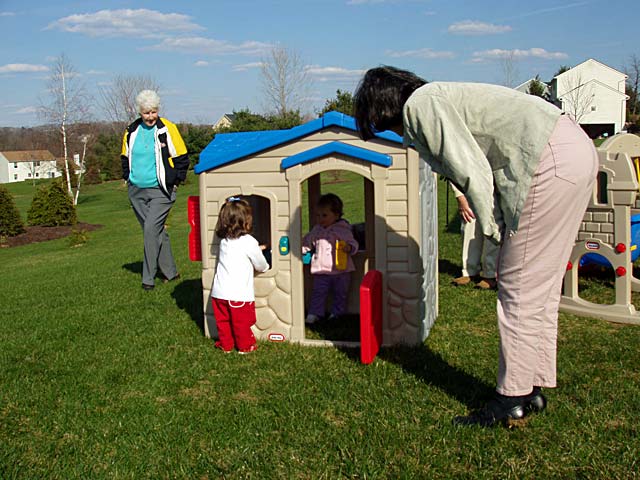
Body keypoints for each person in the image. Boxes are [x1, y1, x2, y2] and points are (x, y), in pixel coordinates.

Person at [354, 66, 598, 427]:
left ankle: (510, 399)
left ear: (383, 105)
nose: (392, 133)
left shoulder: (420, 105)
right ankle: (532, 388)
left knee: (518, 291)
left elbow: (472, 170)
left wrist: (492, 228)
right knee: (540, 290)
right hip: (575, 151)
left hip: (550, 159)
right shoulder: (440, 94)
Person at [121, 90, 189, 291]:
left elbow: (182, 158)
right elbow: (125, 157)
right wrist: (128, 178)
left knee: (150, 231)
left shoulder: (167, 129)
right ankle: (171, 273)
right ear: (140, 112)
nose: (150, 116)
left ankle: (148, 279)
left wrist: (175, 181)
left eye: (153, 112)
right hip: (136, 191)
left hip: (161, 191)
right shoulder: (131, 130)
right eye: (146, 113)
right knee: (156, 232)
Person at [211, 196, 269, 354]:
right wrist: (266, 266)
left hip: (219, 293)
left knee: (224, 322)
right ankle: (245, 346)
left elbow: (239, 253)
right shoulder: (249, 241)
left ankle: (226, 345)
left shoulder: (225, 242)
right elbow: (260, 264)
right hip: (238, 296)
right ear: (246, 222)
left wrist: (259, 247)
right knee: (241, 323)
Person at [302, 193, 359, 324]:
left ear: (337, 215)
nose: (320, 219)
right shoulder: (317, 229)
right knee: (318, 293)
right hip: (321, 269)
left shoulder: (343, 229)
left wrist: (349, 248)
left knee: (340, 293)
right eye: (318, 215)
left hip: (341, 270)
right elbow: (307, 242)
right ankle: (314, 313)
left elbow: (353, 243)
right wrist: (302, 249)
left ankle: (337, 313)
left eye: (324, 215)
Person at [450, 183, 499, 290]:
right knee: (469, 222)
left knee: (493, 226)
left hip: (496, 188)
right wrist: (460, 196)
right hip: (470, 189)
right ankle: (468, 271)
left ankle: (490, 274)